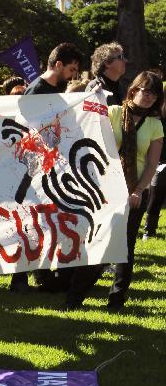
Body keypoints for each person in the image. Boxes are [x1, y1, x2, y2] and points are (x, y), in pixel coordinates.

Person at [65, 71, 164, 311]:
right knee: (98, 241)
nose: (150, 97)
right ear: (134, 90)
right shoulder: (114, 113)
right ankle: (74, 298)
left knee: (126, 247)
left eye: (155, 94)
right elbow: (91, 133)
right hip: (106, 189)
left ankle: (117, 300)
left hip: (135, 191)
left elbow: (152, 164)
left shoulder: (155, 124)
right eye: (146, 91)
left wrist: (139, 190)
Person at [10, 42, 83, 293]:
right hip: (30, 168)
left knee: (41, 222)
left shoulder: (54, 89)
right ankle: (19, 279)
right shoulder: (37, 90)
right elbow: (29, 130)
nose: (73, 76)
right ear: (59, 64)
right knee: (28, 222)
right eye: (71, 69)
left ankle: (38, 275)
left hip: (44, 165)